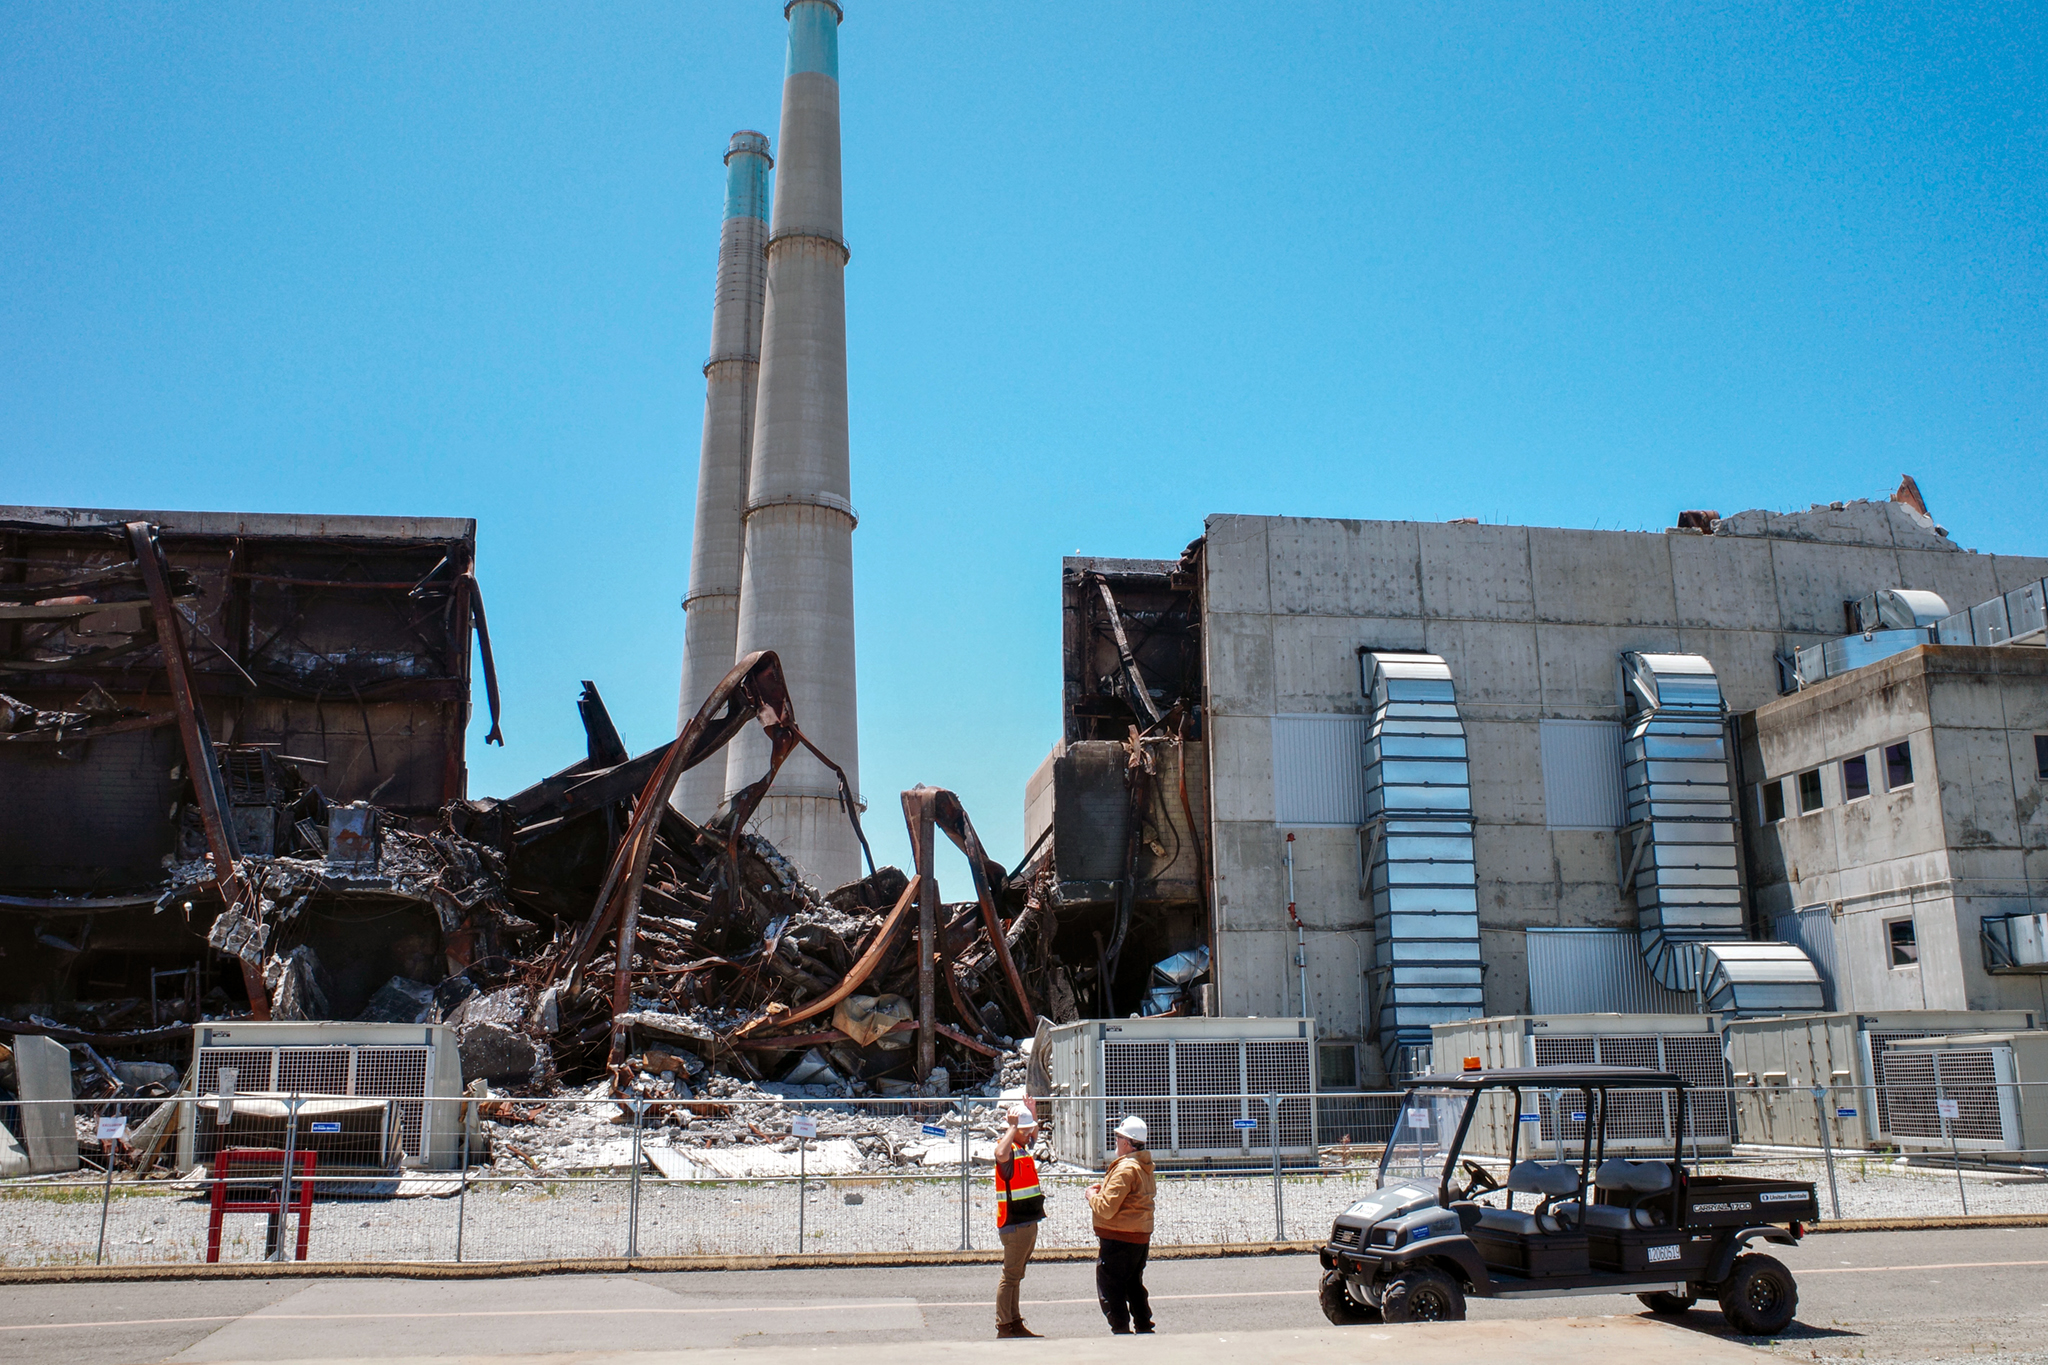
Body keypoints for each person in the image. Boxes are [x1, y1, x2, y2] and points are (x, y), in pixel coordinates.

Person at [1086, 1113, 1156, 1334]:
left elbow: (1106, 1208)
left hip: (1119, 1237)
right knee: (1133, 1284)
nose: (1115, 1141)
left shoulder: (1126, 1168)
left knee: (1111, 1286)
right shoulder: (1143, 1166)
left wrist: (1091, 1196)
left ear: (1126, 1142)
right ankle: (1144, 1326)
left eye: (1117, 1137)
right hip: (1138, 1236)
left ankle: (1121, 1329)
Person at [993, 1103, 1046, 1339]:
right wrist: (1013, 1128)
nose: (1029, 1134)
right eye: (1025, 1130)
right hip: (1014, 1224)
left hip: (1027, 1222)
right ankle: (1004, 1324)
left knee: (1016, 1276)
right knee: (1010, 1276)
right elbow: (999, 1154)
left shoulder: (1022, 1147)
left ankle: (1014, 1322)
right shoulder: (1009, 1149)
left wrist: (1031, 1114)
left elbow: (1033, 1135)